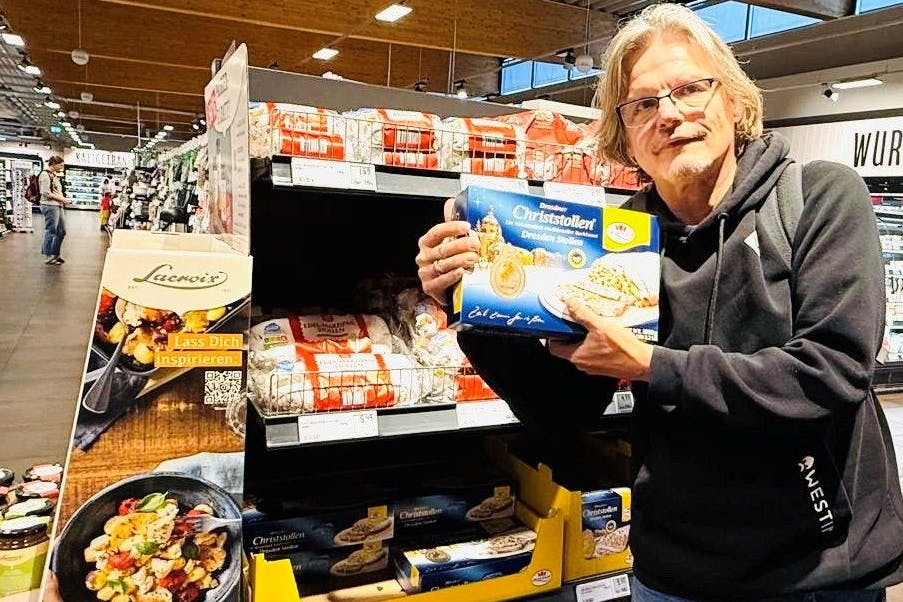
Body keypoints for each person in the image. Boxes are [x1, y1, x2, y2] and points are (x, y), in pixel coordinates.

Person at [416, 4, 903, 600]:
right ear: (625, 137)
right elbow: (565, 409)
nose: (669, 115)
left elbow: (833, 372)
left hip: (816, 569)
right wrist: (472, 304)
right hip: (671, 569)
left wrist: (652, 365)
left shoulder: (819, 196)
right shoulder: (618, 240)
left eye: (690, 89)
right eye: (643, 104)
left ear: (733, 101)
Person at [38, 156, 70, 265]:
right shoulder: (45, 175)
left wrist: (62, 200)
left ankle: (56, 254)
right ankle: (48, 256)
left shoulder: (53, 175)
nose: (62, 167)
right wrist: (62, 199)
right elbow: (45, 192)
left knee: (62, 231)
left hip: (58, 205)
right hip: (50, 205)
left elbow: (54, 191)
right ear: (54, 164)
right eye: (60, 165)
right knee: (50, 230)